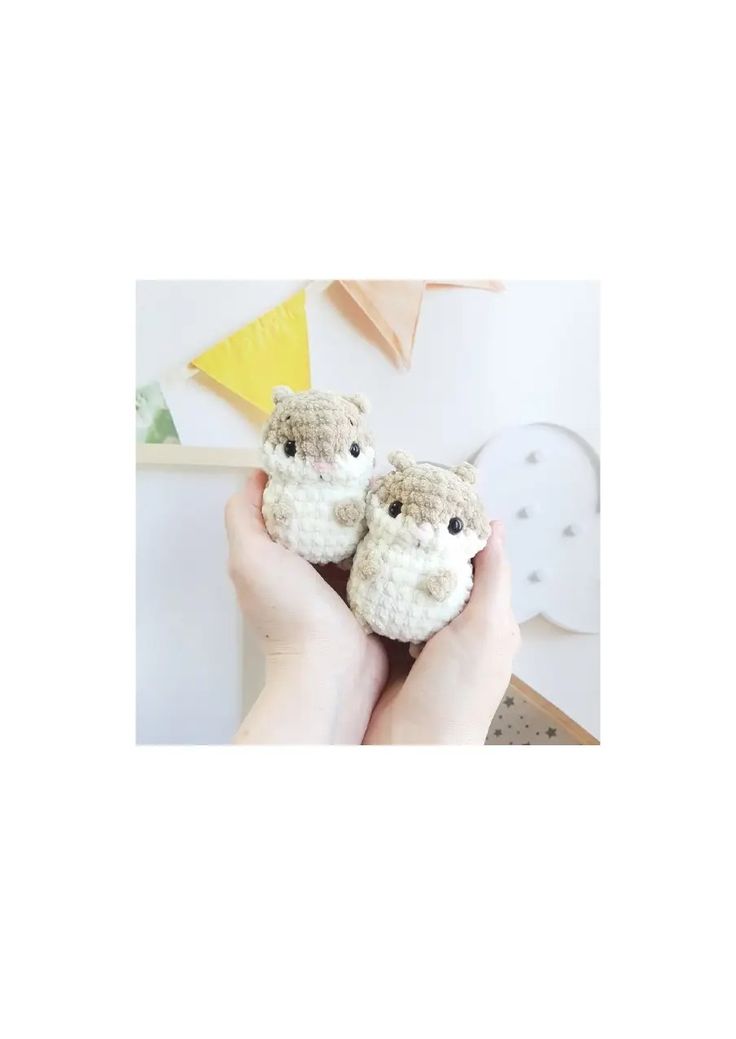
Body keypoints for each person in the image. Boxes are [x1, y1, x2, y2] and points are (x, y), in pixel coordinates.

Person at [226, 470, 521, 744]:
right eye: (395, 511)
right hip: (367, 613)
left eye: (454, 526)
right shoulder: (378, 535)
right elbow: (365, 564)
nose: (420, 531)